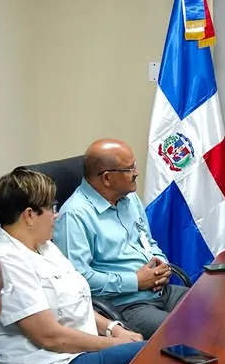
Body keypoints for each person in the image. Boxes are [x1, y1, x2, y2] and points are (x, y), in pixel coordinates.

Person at [0, 168, 143, 364]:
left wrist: (112, 329)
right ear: (29, 215)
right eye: (51, 208)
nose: (56, 214)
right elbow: (50, 337)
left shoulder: (43, 245)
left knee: (149, 349)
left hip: (79, 352)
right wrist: (115, 345)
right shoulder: (6, 261)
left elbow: (77, 300)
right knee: (146, 355)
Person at [53, 139, 187, 339]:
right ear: (107, 178)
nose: (136, 173)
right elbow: (79, 280)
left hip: (160, 290)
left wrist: (162, 267)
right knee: (183, 332)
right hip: (125, 304)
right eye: (129, 168)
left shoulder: (129, 198)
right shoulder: (74, 216)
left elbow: (148, 242)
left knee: (212, 313)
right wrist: (135, 282)